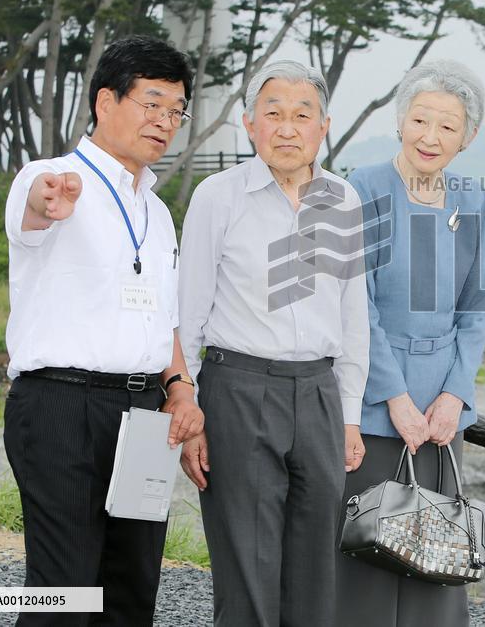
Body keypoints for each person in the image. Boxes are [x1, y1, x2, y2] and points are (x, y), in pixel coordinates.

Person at [2, 35, 204, 626]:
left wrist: (181, 389)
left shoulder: (157, 212)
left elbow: (163, 317)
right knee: (63, 591)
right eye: (152, 103)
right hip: (61, 404)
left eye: (176, 111)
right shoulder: (52, 176)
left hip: (144, 415)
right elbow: (34, 208)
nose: (165, 121)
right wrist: (44, 202)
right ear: (105, 101)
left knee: (130, 592)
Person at [177, 60, 370, 627]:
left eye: (302, 116)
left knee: (315, 568)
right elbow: (187, 314)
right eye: (273, 114)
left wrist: (349, 415)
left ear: (324, 127)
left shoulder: (344, 200)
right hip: (238, 389)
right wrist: (189, 410)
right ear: (249, 124)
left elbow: (353, 315)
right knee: (247, 566)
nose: (287, 128)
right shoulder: (219, 196)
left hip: (319, 393)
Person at [335, 60, 485, 627]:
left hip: (442, 415)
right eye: (421, 120)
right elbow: (357, 304)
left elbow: (478, 304)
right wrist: (395, 398)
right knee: (366, 550)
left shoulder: (472, 199)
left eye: (447, 126)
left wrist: (454, 394)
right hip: (374, 401)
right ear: (400, 121)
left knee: (439, 558)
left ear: (467, 137)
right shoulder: (363, 187)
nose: (431, 137)